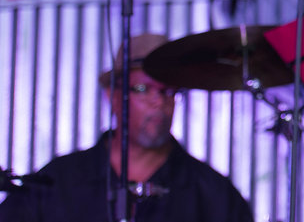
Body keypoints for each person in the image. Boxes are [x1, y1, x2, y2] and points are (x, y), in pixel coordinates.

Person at [0, 33, 253, 222]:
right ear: (113, 95)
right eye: (143, 89)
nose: (158, 101)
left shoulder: (212, 194)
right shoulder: (59, 180)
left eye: (167, 90)